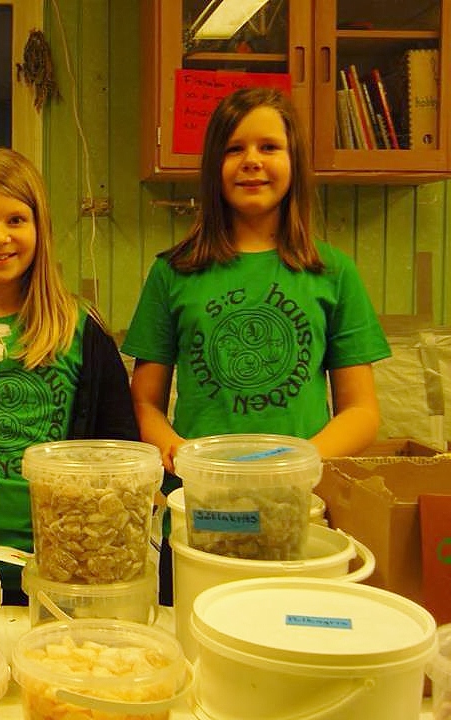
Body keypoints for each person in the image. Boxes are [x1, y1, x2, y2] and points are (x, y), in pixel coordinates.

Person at [121, 87, 391, 601]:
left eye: (269, 147)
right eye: (234, 149)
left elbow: (362, 412)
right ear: (213, 166)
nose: (252, 161)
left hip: (298, 508)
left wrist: (294, 467)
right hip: (202, 509)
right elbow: (143, 402)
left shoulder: (333, 272)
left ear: (295, 161)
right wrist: (177, 452)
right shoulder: (173, 272)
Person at [0, 147, 139, 604]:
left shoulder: (81, 330)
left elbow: (118, 453)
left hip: (58, 565)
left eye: (16, 220)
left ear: (40, 231)